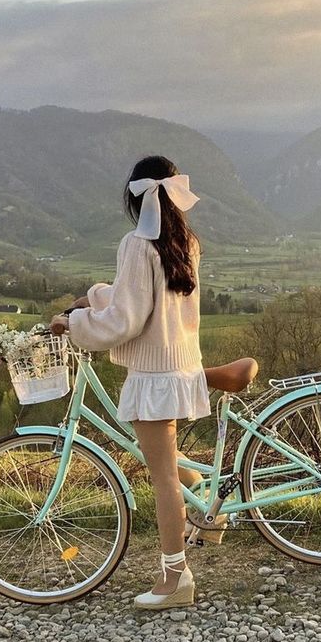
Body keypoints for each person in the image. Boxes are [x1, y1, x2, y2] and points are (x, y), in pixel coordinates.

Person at [49, 155, 211, 610]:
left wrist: (76, 322)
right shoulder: (185, 242)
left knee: (161, 478)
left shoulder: (137, 244)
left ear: (135, 199)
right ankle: (204, 508)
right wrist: (97, 295)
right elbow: (144, 295)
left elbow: (126, 319)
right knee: (167, 462)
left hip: (154, 376)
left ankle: (176, 579)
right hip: (180, 366)